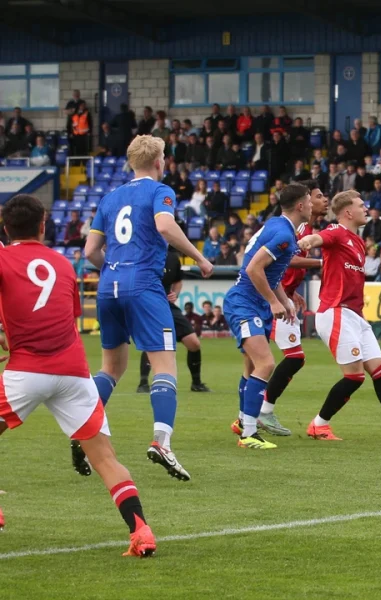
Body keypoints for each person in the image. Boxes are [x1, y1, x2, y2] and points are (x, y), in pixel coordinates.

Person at [0, 194, 156, 557]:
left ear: (6, 229)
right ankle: (141, 531)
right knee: (105, 458)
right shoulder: (64, 264)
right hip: (73, 372)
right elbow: (61, 316)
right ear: (43, 226)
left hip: (26, 370)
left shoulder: (4, 258)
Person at [84, 136, 214, 482]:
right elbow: (165, 226)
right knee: (165, 367)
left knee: (111, 368)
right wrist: (200, 258)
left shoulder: (110, 198)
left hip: (108, 286)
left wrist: (115, 270)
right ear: (159, 162)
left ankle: (82, 430)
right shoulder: (160, 191)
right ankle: (162, 442)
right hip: (143, 284)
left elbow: (90, 251)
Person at [297, 191, 381, 442]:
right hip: (336, 312)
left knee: (380, 371)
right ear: (348, 212)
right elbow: (320, 237)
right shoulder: (337, 231)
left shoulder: (358, 242)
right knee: (355, 376)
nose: (366, 209)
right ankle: (318, 425)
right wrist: (308, 241)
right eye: (361, 205)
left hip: (355, 316)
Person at [221, 184, 312, 450]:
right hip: (244, 304)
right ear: (300, 205)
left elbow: (270, 274)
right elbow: (253, 268)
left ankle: (243, 422)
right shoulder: (283, 233)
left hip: (254, 303)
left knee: (252, 366)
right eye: (309, 201)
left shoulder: (280, 227)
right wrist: (274, 301)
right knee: (266, 363)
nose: (311, 205)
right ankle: (249, 433)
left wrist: (284, 300)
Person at [251, 181, 328, 438]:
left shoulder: (304, 227)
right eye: (318, 196)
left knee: (262, 361)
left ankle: (248, 416)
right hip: (270, 298)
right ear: (304, 203)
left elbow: (283, 264)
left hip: (280, 294)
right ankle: (260, 412)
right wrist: (322, 263)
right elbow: (288, 258)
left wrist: (290, 290)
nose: (324, 200)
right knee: (291, 358)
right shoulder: (300, 228)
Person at [135, 246, 210, 395]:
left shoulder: (172, 257)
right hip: (150, 305)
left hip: (167, 305)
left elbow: (178, 281)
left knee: (193, 343)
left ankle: (196, 383)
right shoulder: (145, 253)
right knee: (153, 342)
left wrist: (175, 294)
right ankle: (143, 383)